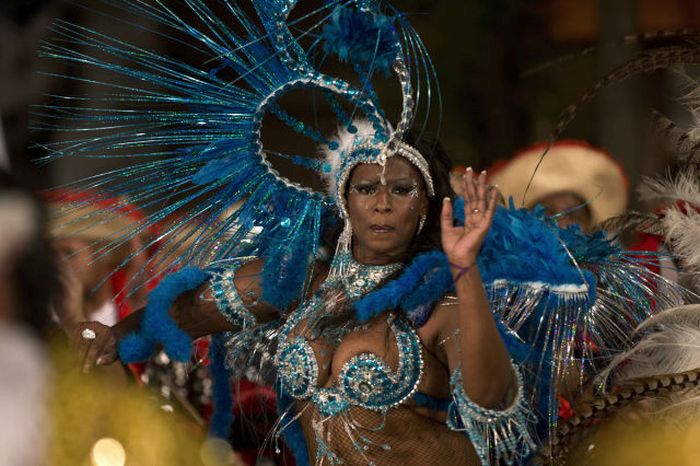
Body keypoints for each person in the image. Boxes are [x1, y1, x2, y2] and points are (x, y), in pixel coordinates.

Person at [43, 2, 683, 465]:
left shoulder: (442, 302)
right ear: (343, 200)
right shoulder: (301, 281)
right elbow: (190, 309)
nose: (382, 203)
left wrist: (465, 268)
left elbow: (492, 404)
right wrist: (117, 335)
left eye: (402, 189)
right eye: (365, 188)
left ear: (425, 206)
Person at [488, 140, 628, 231]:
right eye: (547, 213)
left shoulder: (608, 276)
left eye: (573, 215)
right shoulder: (499, 276)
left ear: (588, 227)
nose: (561, 223)